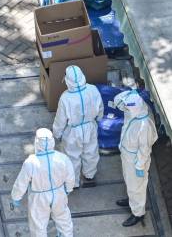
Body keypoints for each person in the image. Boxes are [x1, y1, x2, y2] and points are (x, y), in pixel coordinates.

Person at [11, 128, 75, 237]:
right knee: (64, 220)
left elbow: (21, 182)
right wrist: (68, 189)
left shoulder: (30, 162)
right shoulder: (62, 158)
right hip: (58, 194)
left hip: (39, 198)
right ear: (52, 142)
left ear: (37, 142)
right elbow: (70, 176)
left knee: (38, 225)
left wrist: (16, 196)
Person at [53, 65, 104, 188]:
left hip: (73, 131)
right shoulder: (93, 90)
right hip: (90, 126)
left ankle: (73, 182)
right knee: (91, 151)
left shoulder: (65, 97)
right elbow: (100, 107)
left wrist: (57, 133)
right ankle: (89, 176)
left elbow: (60, 118)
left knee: (72, 156)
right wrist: (99, 118)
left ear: (67, 80)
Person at [114, 90, 158, 227]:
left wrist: (140, 166)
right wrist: (128, 94)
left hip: (136, 160)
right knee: (129, 181)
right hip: (127, 155)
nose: (125, 109)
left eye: (128, 107)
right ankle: (131, 200)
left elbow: (144, 150)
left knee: (137, 187)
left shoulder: (144, 125)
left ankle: (138, 213)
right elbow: (119, 101)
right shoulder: (135, 111)